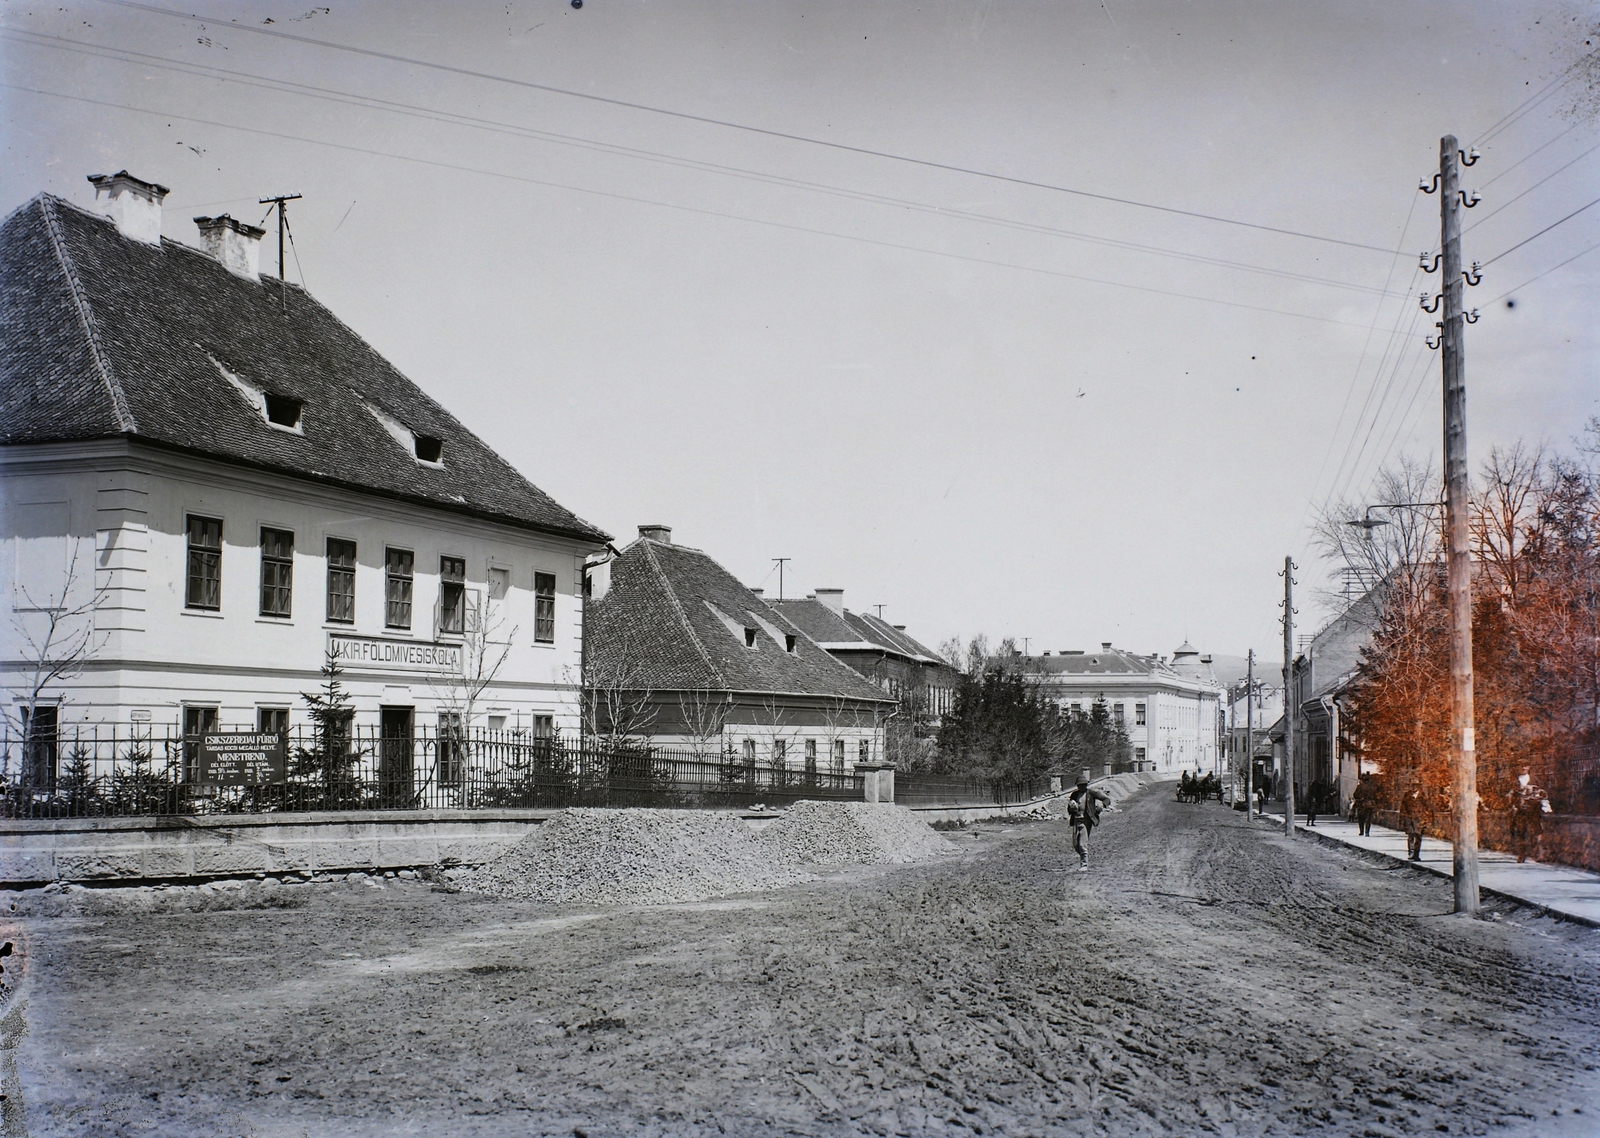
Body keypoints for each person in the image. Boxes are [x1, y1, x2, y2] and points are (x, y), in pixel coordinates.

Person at [1068, 770, 1113, 872]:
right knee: (1075, 844)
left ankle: (1084, 864)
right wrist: (1072, 808)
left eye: (1083, 785)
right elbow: (1069, 809)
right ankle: (1085, 856)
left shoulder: (1091, 793)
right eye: (1080, 785)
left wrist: (1101, 806)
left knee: (1082, 843)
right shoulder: (1074, 795)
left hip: (1086, 821)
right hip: (1076, 820)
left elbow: (1106, 799)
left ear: (1086, 785)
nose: (1082, 787)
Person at [1508, 771, 1551, 864]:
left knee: (1537, 831)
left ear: (1528, 768)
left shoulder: (1535, 779)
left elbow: (1542, 793)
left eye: (1525, 766)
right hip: (1520, 810)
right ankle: (1521, 855)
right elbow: (1510, 795)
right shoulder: (1514, 781)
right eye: (1521, 765)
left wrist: (1543, 804)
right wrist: (1513, 805)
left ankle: (1540, 854)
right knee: (1520, 832)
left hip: (1533, 810)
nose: (1523, 768)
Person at [1399, 784, 1426, 860]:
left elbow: (1426, 807)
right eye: (1413, 786)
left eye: (1416, 786)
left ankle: (1416, 854)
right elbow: (1402, 807)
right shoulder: (1407, 795)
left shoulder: (1422, 796)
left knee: (1418, 837)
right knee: (1411, 835)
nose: (1414, 788)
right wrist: (1402, 819)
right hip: (1409, 818)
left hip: (1418, 819)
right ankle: (1411, 852)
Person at [1351, 773, 1376, 837]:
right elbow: (1375, 795)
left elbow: (1355, 795)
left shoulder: (1360, 786)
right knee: (1368, 819)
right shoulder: (1371, 786)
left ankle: (1361, 831)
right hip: (1369, 804)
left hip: (1361, 804)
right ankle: (1367, 832)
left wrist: (1359, 798)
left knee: (1361, 818)